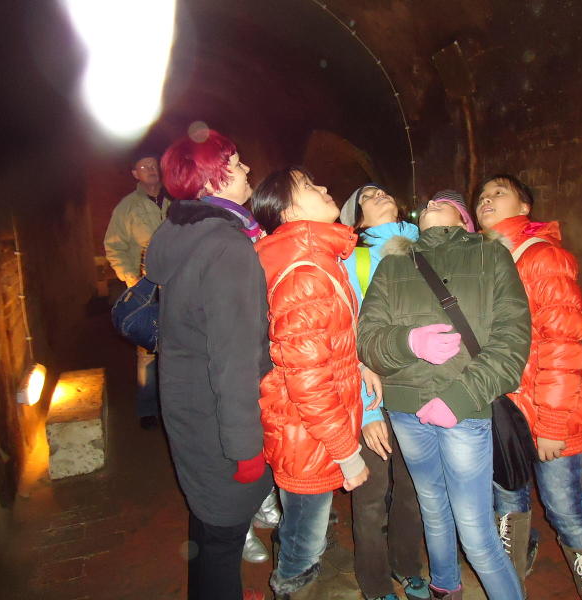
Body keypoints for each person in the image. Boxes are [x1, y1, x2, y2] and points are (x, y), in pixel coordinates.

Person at [357, 190, 530, 600]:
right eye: (430, 201)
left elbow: (513, 340)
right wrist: (408, 342)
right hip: (407, 411)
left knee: (476, 532)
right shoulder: (395, 262)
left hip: (464, 411)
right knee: (432, 509)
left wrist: (459, 397)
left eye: (446, 201)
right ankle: (445, 587)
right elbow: (367, 338)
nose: (433, 202)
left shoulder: (491, 256)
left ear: (464, 219)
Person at [144, 129, 272, 600]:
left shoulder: (181, 232)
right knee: (223, 538)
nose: (246, 170)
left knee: (206, 524)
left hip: (189, 405)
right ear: (211, 180)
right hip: (219, 421)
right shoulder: (226, 247)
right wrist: (245, 449)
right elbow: (235, 359)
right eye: (234, 164)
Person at [475, 175, 582, 600]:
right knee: (507, 504)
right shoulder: (484, 260)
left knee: (565, 509)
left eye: (499, 193)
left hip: (549, 408)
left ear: (524, 207)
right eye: (482, 196)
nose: (486, 200)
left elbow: (562, 343)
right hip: (505, 412)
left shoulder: (542, 257)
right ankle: (509, 587)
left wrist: (551, 423)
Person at [252, 167, 370, 599]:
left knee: (304, 522)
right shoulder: (305, 273)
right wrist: (347, 452)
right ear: (287, 211)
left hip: (308, 430)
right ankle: (292, 584)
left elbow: (327, 346)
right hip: (307, 434)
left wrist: (360, 365)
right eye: (308, 186)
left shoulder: (319, 259)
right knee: (303, 541)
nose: (324, 187)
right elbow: (309, 381)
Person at [340, 184, 428, 600]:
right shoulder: (354, 261)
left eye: (381, 190)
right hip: (373, 393)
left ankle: (406, 565)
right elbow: (348, 338)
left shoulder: (424, 250)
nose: (378, 194)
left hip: (420, 392)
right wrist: (369, 412)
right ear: (357, 221)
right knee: (372, 497)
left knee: (412, 491)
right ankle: (375, 583)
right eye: (366, 197)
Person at [104, 150, 171, 430]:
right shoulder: (127, 208)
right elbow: (114, 247)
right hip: (146, 289)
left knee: (178, 345)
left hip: (176, 285)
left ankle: (174, 405)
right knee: (148, 351)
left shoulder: (175, 200)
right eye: (144, 167)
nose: (151, 170)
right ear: (135, 174)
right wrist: (131, 280)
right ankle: (147, 408)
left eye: (154, 165)